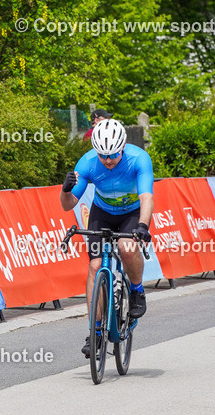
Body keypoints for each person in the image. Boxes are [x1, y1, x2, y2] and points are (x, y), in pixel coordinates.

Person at [60, 119, 154, 358]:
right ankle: (96, 333)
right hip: (102, 213)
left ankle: (136, 290)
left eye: (113, 154)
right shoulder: (88, 163)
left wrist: (143, 225)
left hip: (131, 213)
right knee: (94, 266)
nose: (108, 160)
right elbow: (68, 205)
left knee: (126, 246)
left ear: (122, 147)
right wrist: (65, 190)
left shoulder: (139, 158)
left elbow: (146, 198)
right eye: (103, 155)